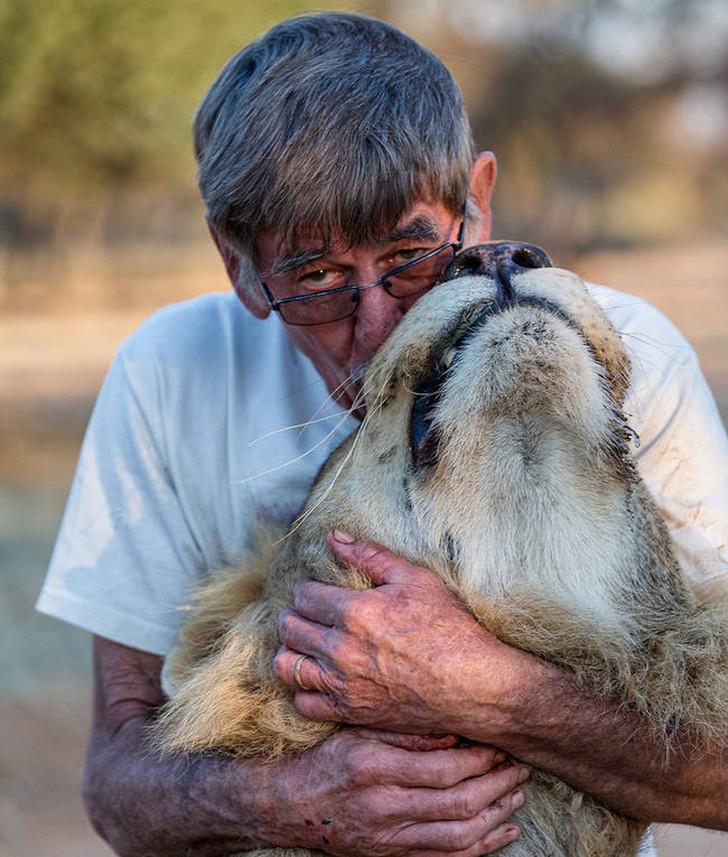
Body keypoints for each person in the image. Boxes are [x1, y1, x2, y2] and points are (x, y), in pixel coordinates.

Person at [37, 11, 728, 857]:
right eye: (318, 276)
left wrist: (485, 691)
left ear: (476, 199)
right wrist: (283, 798)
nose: (376, 327)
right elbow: (114, 790)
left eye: (412, 256)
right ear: (238, 263)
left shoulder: (621, 353)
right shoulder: (170, 370)